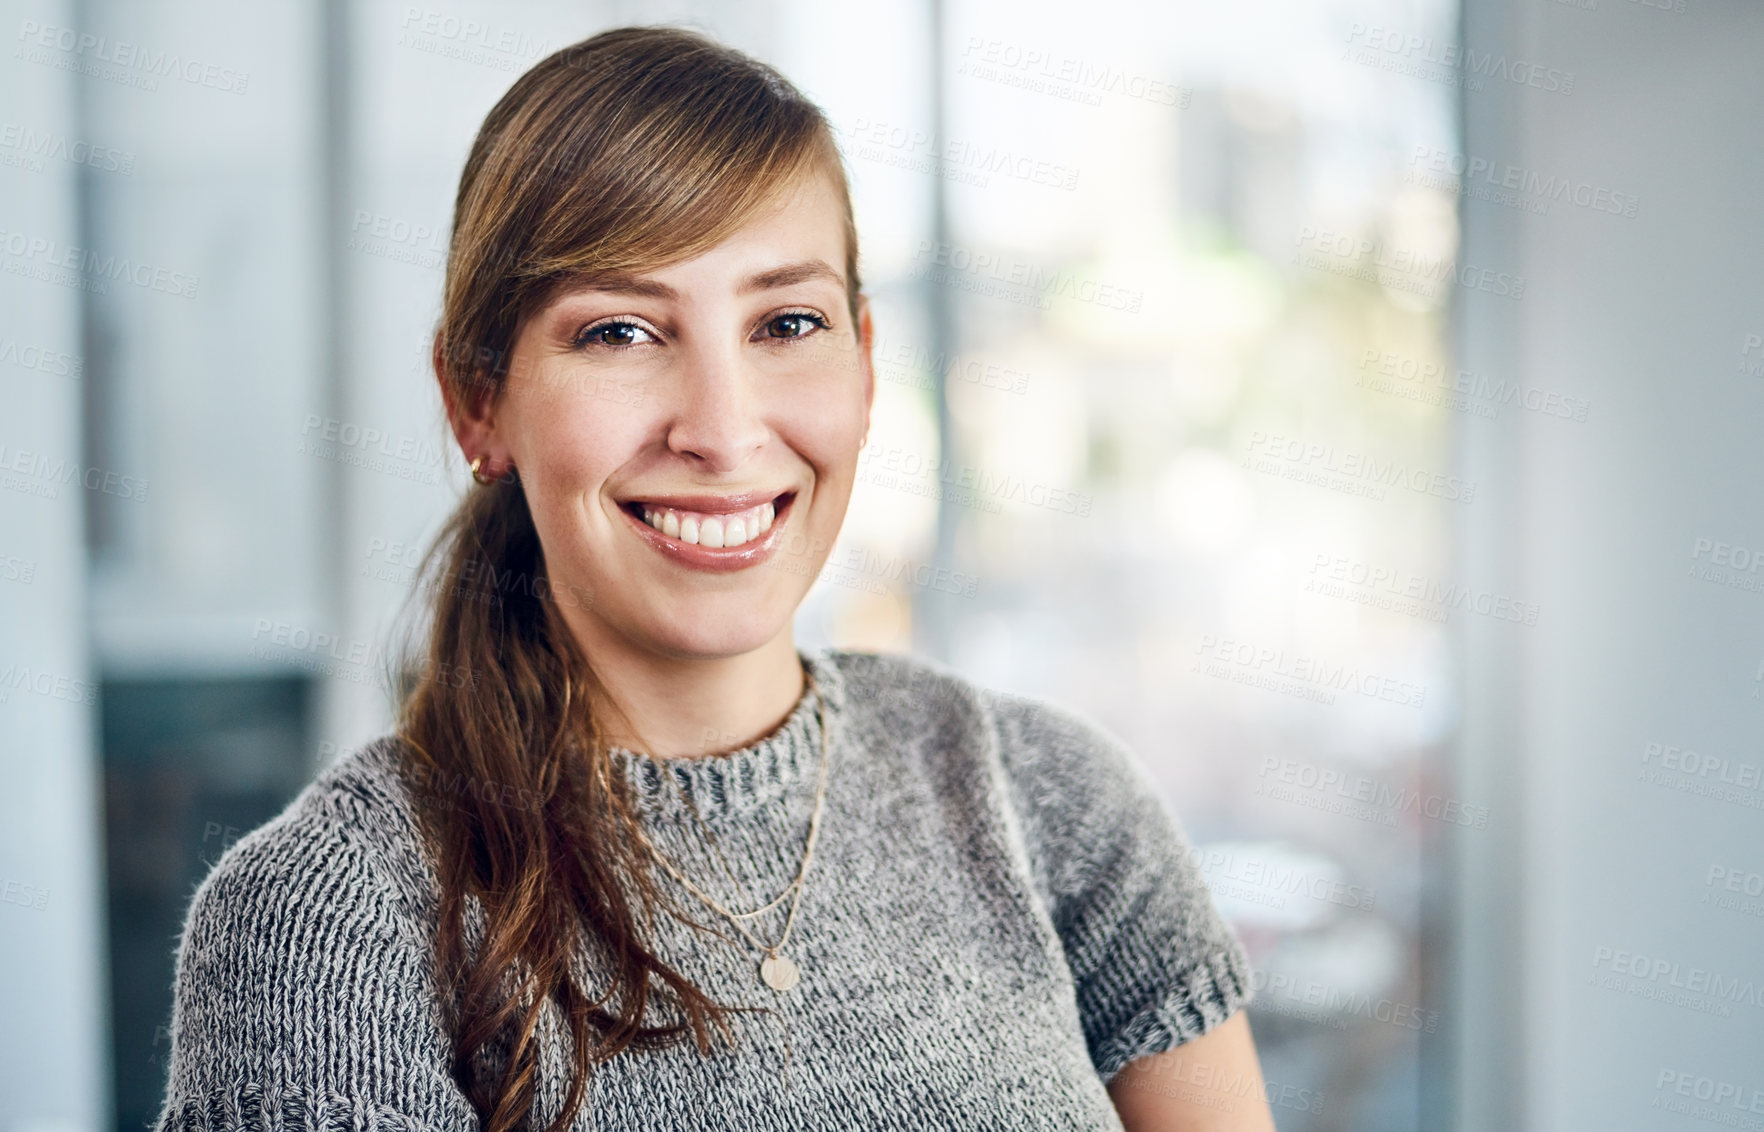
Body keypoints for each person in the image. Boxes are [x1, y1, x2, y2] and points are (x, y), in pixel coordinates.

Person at [155, 25, 1274, 1132]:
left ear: (868, 363)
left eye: (788, 321)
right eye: (622, 332)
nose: (724, 430)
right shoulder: (327, 920)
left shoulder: (1057, 802)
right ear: (475, 400)